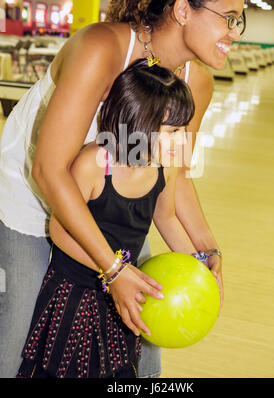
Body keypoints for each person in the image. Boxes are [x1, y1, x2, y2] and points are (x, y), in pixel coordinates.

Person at [0, 0, 245, 378]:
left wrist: (206, 250)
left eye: (237, 21)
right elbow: (47, 170)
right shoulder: (102, 48)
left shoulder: (196, 81)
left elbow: (175, 174)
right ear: (184, 10)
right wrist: (114, 269)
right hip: (31, 200)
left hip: (108, 204)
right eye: (229, 17)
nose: (235, 32)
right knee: (20, 339)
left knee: (143, 337)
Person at [16, 57, 206, 378]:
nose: (182, 139)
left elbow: (168, 217)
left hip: (124, 291)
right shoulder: (95, 164)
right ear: (139, 125)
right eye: (173, 130)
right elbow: (60, 231)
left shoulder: (164, 166)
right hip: (75, 294)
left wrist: (196, 263)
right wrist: (114, 271)